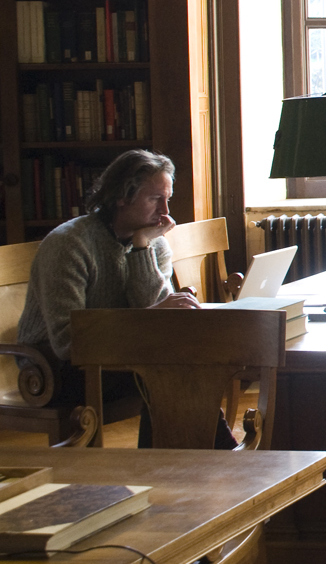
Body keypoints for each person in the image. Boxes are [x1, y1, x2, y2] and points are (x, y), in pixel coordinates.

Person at [15, 150, 202, 439]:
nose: (165, 211)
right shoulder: (70, 244)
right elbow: (68, 343)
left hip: (121, 354)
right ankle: (181, 457)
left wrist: (141, 247)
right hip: (52, 367)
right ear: (121, 197)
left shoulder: (153, 243)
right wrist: (152, 318)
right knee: (165, 372)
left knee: (186, 362)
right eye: (155, 199)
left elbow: (160, 319)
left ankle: (171, 458)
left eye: (168, 198)